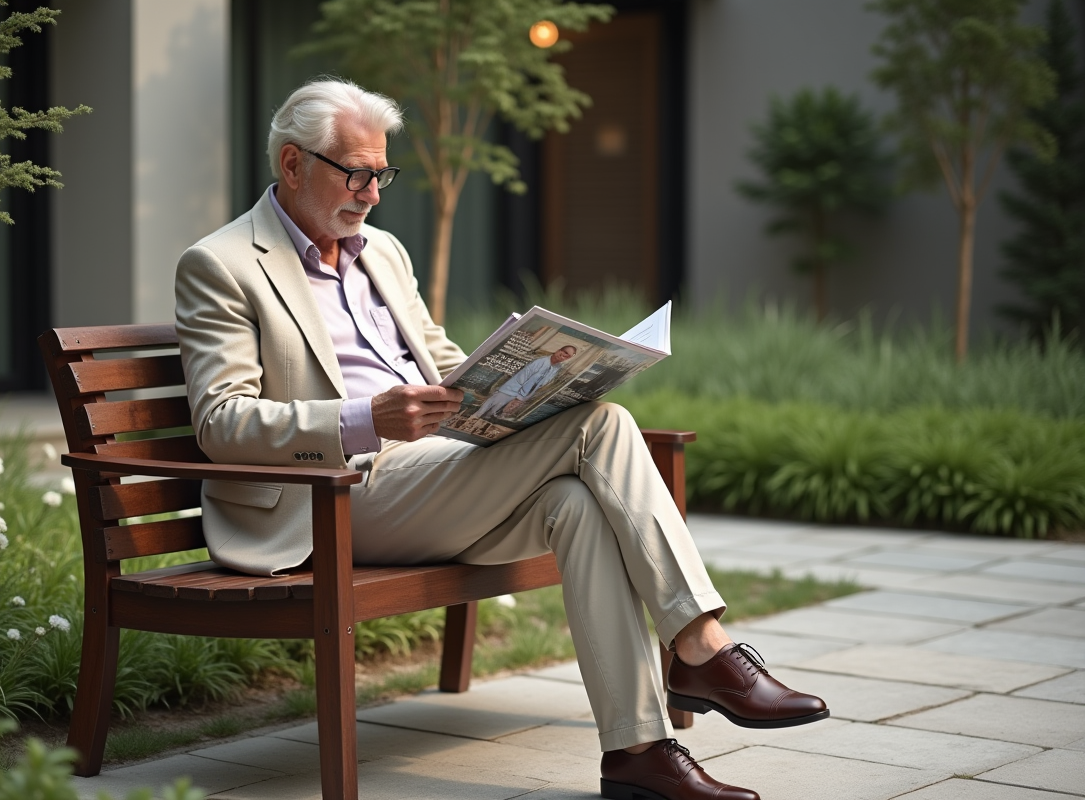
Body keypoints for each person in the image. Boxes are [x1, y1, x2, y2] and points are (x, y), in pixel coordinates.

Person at [175, 78, 828, 800]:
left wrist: (527, 381)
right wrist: (366, 419)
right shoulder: (223, 265)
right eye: (356, 174)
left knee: (575, 505)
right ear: (294, 166)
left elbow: (441, 364)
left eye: (382, 174)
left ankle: (637, 752)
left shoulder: (382, 253)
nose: (372, 194)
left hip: (436, 471)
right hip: (333, 495)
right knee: (603, 427)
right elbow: (222, 422)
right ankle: (702, 647)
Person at [469, 344, 577, 421]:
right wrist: (520, 396)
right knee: (492, 403)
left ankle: (483, 420)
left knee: (494, 411)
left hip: (524, 394)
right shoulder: (541, 362)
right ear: (559, 350)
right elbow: (525, 378)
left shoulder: (557, 368)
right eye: (565, 352)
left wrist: (524, 397)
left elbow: (541, 383)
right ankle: (474, 417)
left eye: (568, 356)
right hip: (514, 389)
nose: (564, 356)